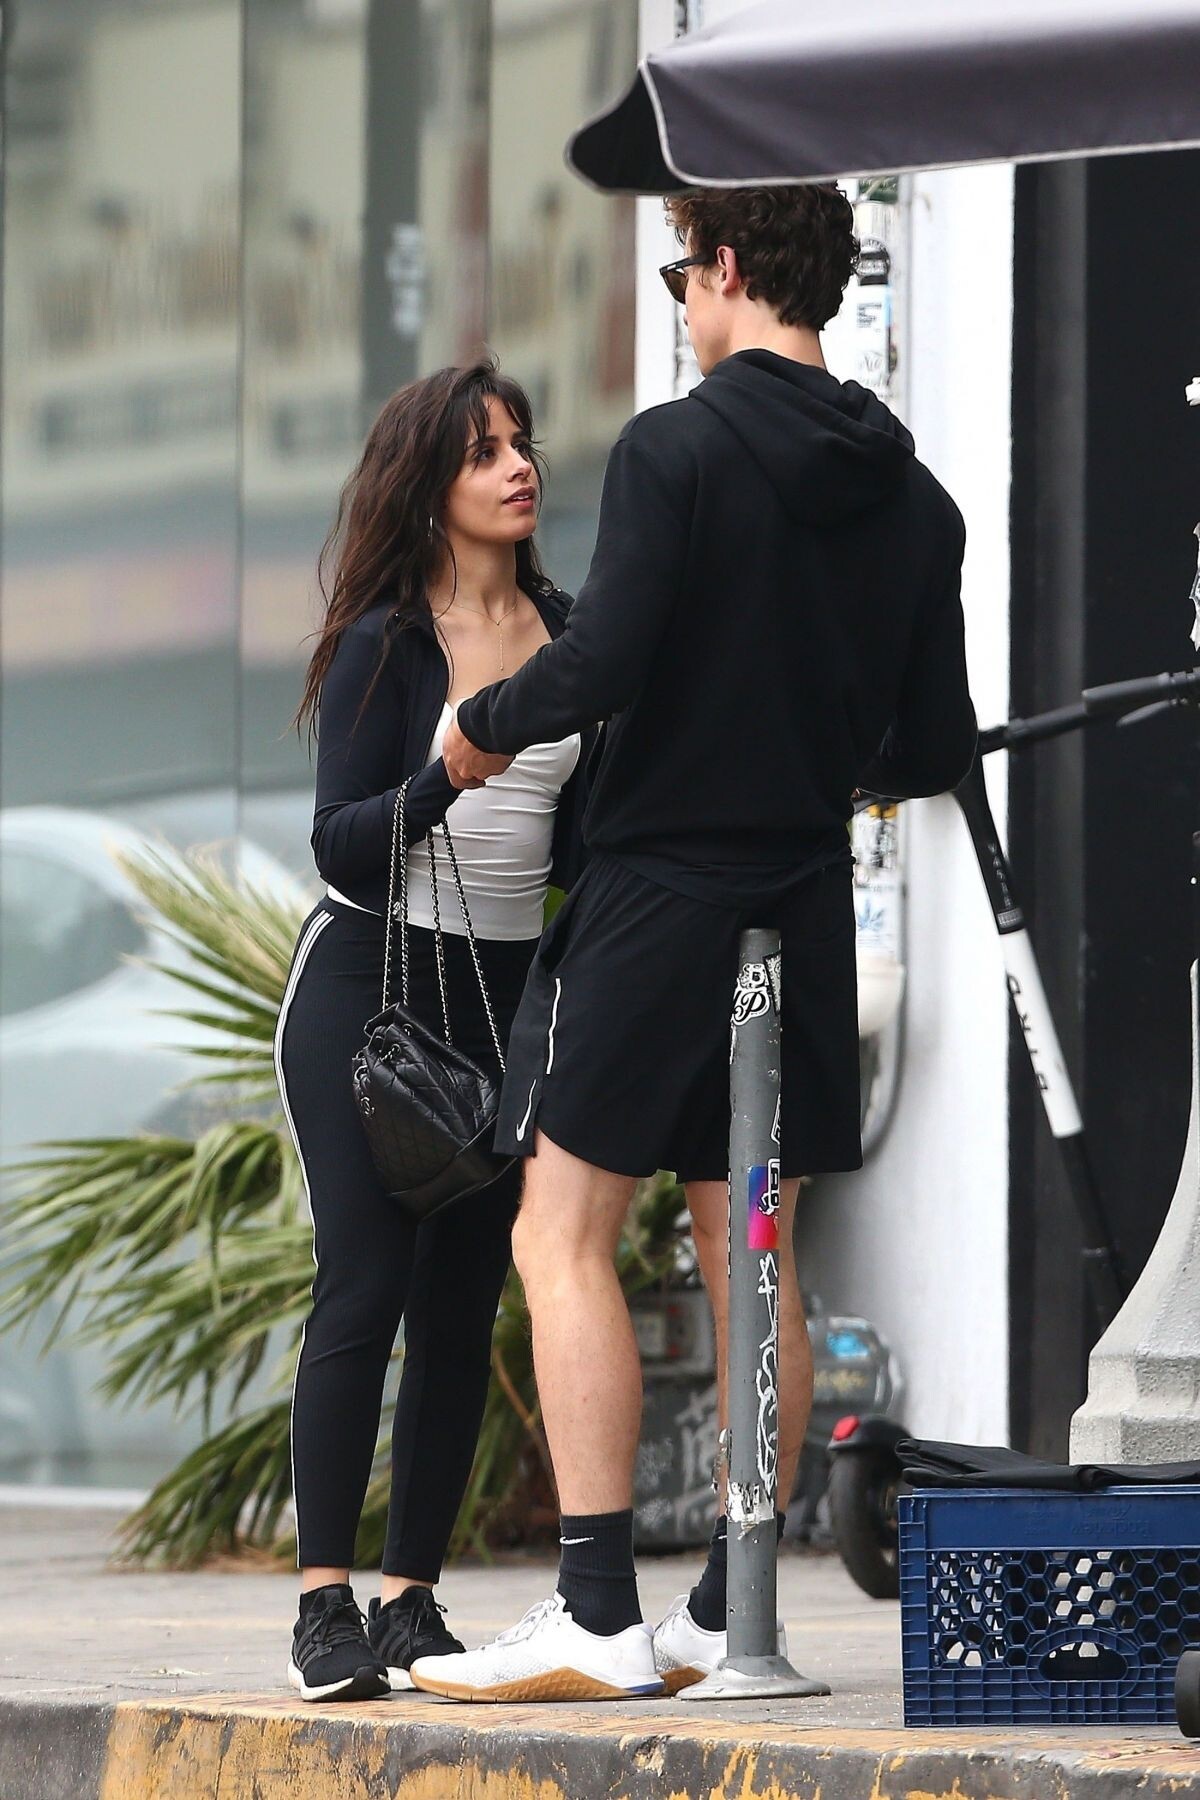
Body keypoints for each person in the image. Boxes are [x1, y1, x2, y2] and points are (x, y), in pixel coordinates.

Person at [408, 184, 977, 1704]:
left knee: (559, 1228)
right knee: (753, 1250)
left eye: (680, 273)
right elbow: (928, 745)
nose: (680, 302)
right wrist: (802, 745)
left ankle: (597, 1607)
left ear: (726, 266)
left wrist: (479, 726)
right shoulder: (918, 500)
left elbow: (603, 658)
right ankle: (733, 1608)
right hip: (801, 894)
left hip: (662, 891)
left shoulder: (679, 447)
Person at [275, 360, 591, 1702]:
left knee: (464, 1304)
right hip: (371, 988)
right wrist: (448, 775)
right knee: (365, 1284)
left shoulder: (571, 634)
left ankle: (410, 1601)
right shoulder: (388, 643)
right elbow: (342, 843)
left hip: (506, 995)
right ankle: (323, 1606)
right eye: (483, 452)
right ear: (428, 486)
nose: (518, 468)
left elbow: (582, 840)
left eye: (522, 444)